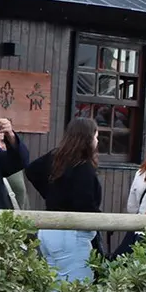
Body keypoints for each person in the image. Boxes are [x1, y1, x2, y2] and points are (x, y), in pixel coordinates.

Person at [24, 117, 103, 282]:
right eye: (95, 136)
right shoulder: (84, 167)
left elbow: (32, 170)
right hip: (73, 232)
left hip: (49, 229)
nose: (97, 141)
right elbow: (86, 204)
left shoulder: (56, 157)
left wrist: (51, 195)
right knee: (78, 289)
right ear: (87, 138)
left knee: (54, 286)